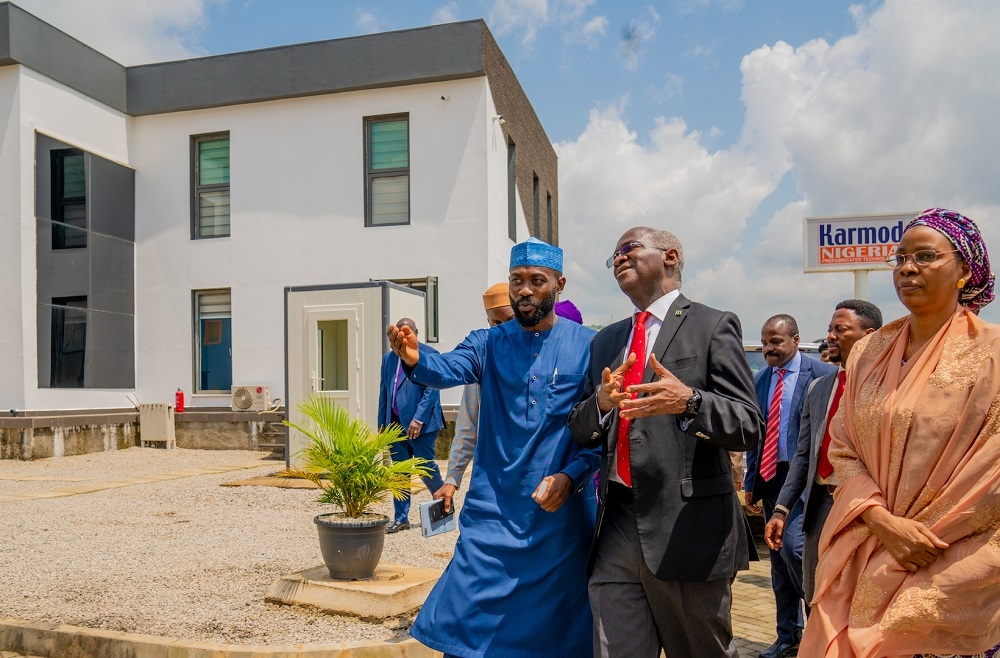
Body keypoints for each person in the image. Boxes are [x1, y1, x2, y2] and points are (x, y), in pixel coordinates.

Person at [800, 208, 1000, 657]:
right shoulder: (869, 353)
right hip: (867, 542)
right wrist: (881, 522)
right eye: (901, 257)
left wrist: (917, 539)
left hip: (950, 558)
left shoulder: (993, 353)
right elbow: (844, 448)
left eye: (926, 256)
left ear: (965, 270)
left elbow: (992, 474)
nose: (908, 268)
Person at [392, 237, 600, 658]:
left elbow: (602, 430)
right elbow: (450, 366)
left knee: (554, 632)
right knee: (467, 618)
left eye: (536, 281)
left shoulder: (589, 345)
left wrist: (572, 475)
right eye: (516, 280)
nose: (524, 290)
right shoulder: (487, 342)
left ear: (559, 284)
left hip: (557, 513)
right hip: (492, 511)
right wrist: (416, 360)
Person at [568, 226, 763, 658]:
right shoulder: (607, 340)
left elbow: (749, 424)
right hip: (616, 523)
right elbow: (580, 427)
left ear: (670, 257)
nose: (618, 258)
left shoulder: (712, 325)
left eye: (629, 248)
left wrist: (690, 402)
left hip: (687, 528)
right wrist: (601, 403)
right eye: (613, 255)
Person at [763, 300, 883, 604]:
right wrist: (781, 509)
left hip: (868, 512)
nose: (830, 335)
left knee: (863, 600)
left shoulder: (892, 388)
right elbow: (804, 455)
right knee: (816, 595)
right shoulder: (819, 388)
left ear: (869, 335)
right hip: (820, 508)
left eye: (839, 329)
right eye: (830, 329)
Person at [745, 314, 836, 658]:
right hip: (771, 477)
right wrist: (753, 479)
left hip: (806, 482)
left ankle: (820, 628)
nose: (769, 348)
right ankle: (788, 635)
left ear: (795, 340)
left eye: (776, 342)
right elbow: (757, 435)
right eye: (765, 342)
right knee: (778, 560)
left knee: (797, 550)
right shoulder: (761, 379)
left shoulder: (822, 375)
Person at [432, 282, 514, 514]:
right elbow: (468, 425)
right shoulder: (481, 360)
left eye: (510, 321)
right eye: (495, 323)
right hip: (491, 477)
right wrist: (452, 479)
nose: (502, 329)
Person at [376, 318, 445, 533]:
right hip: (395, 424)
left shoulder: (430, 355)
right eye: (399, 333)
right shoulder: (388, 359)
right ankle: (401, 518)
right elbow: (385, 393)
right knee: (399, 472)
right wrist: (382, 424)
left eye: (408, 333)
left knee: (425, 467)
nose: (403, 337)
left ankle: (443, 508)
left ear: (416, 332)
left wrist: (418, 419)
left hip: (421, 424)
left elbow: (432, 390)